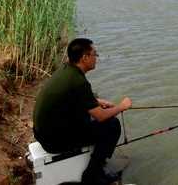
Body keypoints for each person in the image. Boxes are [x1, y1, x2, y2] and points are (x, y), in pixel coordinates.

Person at [33, 38, 132, 185]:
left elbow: (73, 96)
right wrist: (121, 107)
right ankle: (92, 176)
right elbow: (100, 117)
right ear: (84, 58)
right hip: (53, 142)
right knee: (112, 126)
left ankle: (96, 165)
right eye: (94, 54)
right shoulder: (79, 81)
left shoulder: (66, 70)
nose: (96, 58)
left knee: (89, 118)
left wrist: (97, 102)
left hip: (42, 134)